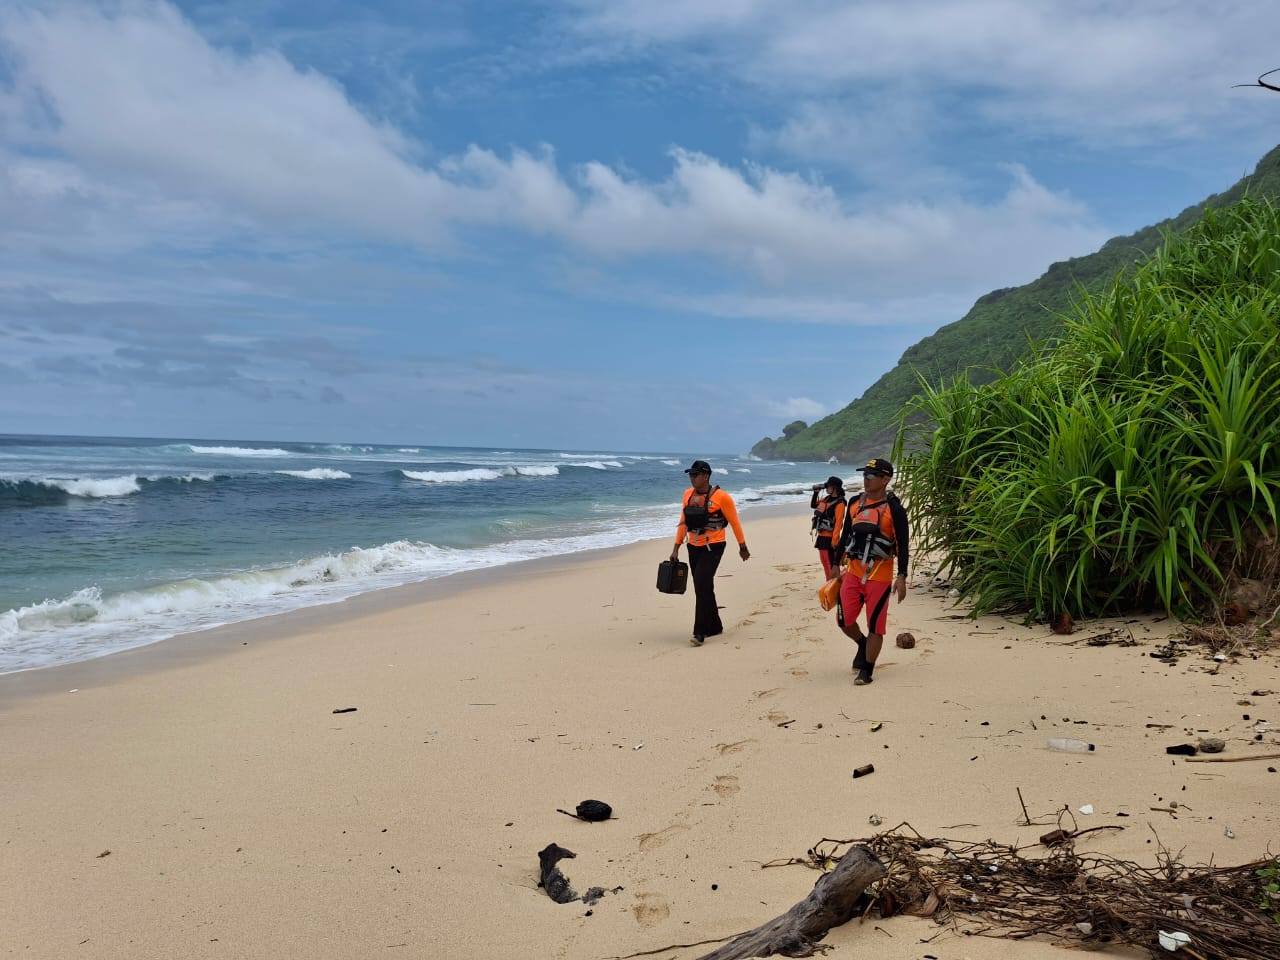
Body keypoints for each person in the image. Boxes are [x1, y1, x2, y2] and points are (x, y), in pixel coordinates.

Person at [827, 458, 909, 685]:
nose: (866, 480)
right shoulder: (854, 503)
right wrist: (835, 563)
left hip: (879, 575)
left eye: (871, 476)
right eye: (864, 475)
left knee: (876, 624)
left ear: (885, 479)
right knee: (844, 620)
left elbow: (903, 544)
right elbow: (845, 536)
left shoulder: (895, 509)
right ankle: (863, 644)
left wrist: (902, 576)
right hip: (853, 572)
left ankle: (868, 669)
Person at [670, 460, 750, 645]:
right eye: (690, 474)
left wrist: (742, 546)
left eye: (695, 475)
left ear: (706, 476)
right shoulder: (687, 494)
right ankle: (715, 625)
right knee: (704, 587)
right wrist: (676, 548)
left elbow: (735, 522)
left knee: (701, 584)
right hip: (693, 546)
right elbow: (683, 521)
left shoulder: (722, 497)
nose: (691, 478)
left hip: (714, 546)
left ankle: (699, 632)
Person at [809, 476, 846, 579]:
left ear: (835, 488)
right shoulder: (826, 499)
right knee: (825, 563)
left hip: (829, 539)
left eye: (828, 486)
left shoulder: (840, 503)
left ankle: (832, 585)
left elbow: (838, 523)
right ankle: (831, 584)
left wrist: (834, 541)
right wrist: (816, 492)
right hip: (822, 536)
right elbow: (813, 505)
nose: (826, 488)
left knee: (830, 563)